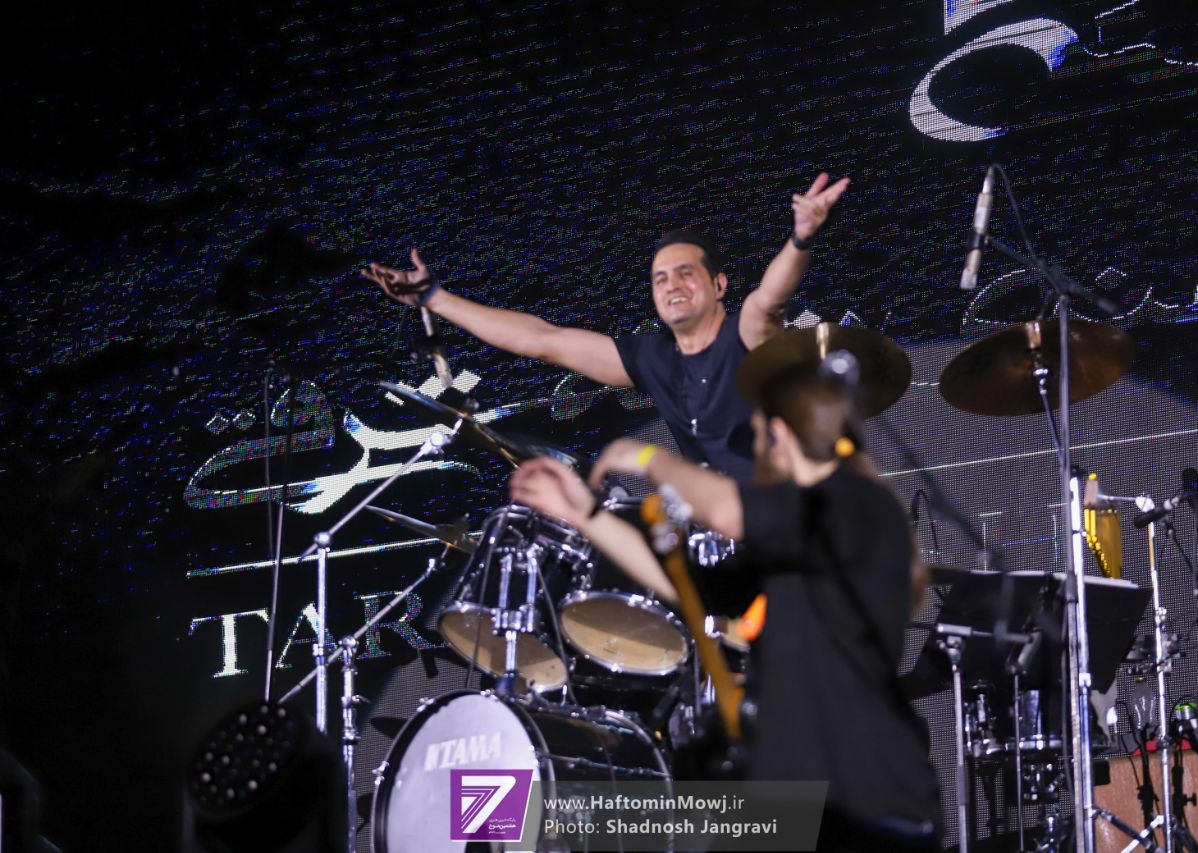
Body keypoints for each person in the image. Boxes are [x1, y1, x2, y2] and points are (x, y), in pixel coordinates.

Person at [509, 350, 942, 852]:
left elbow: (728, 513)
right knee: (572, 816)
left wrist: (649, 459)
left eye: (756, 436)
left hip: (866, 797)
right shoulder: (791, 549)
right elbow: (689, 588)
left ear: (779, 435)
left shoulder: (853, 502)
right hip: (798, 801)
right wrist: (586, 514)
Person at [361, 174, 849, 481]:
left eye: (686, 273)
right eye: (660, 278)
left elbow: (770, 298)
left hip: (791, 509)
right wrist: (434, 298)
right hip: (723, 527)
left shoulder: (745, 334)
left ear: (719, 284)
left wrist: (800, 239)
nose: (672, 286)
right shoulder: (652, 357)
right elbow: (543, 341)